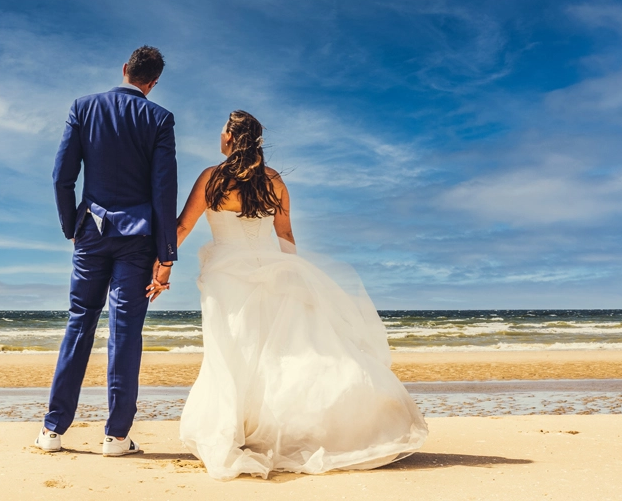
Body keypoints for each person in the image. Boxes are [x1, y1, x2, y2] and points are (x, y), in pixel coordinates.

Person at [154, 110, 427, 480]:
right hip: (271, 273)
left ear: (231, 139)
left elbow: (183, 226)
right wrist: (295, 276)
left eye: (222, 131)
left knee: (230, 351)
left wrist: (161, 268)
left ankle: (235, 430)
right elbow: (286, 237)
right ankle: (262, 427)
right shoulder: (274, 181)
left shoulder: (212, 177)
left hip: (225, 278)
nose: (220, 136)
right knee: (271, 353)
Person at [35, 46, 177, 456]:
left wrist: (71, 228)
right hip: (139, 238)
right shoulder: (159, 118)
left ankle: (52, 432)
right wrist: (165, 254)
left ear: (124, 70)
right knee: (126, 333)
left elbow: (62, 177)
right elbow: (164, 191)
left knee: (79, 323)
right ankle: (116, 437)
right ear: (152, 83)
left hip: (91, 231)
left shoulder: (84, 107)